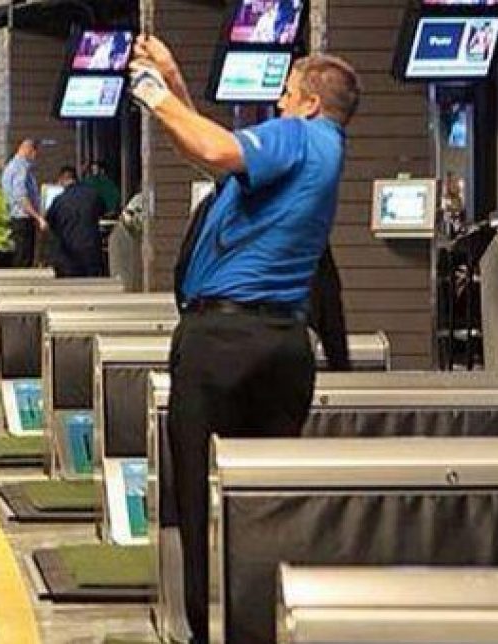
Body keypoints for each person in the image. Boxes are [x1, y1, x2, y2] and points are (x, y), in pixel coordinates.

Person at [131, 36, 360, 643]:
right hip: (282, 343)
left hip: (223, 342)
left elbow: (212, 145)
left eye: (286, 93)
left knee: (201, 497)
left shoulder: (296, 135)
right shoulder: (322, 151)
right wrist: (174, 81)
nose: (278, 103)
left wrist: (152, 95)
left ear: (310, 103)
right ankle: (257, 629)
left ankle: (207, 633)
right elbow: (210, 153)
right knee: (258, 503)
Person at [45, 165, 108, 277]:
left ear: (61, 180)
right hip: (92, 253)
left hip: (68, 257)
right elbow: (103, 212)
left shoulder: (58, 201)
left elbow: (50, 223)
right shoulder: (93, 195)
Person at [0, 139, 45, 267]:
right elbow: (21, 197)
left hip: (15, 219)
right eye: (35, 153)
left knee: (20, 258)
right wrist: (38, 217)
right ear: (29, 150)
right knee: (23, 259)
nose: (35, 157)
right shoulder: (20, 168)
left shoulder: (11, 166)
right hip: (22, 220)